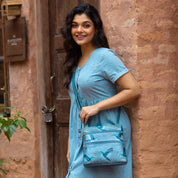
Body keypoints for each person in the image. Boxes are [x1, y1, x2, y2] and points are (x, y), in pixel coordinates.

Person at [61, 3, 140, 178]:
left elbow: (133, 90)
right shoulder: (75, 61)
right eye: (75, 25)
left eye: (86, 25)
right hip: (82, 137)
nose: (79, 30)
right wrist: (70, 145)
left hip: (107, 134)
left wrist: (97, 106)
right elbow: (76, 106)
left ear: (96, 29)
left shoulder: (104, 56)